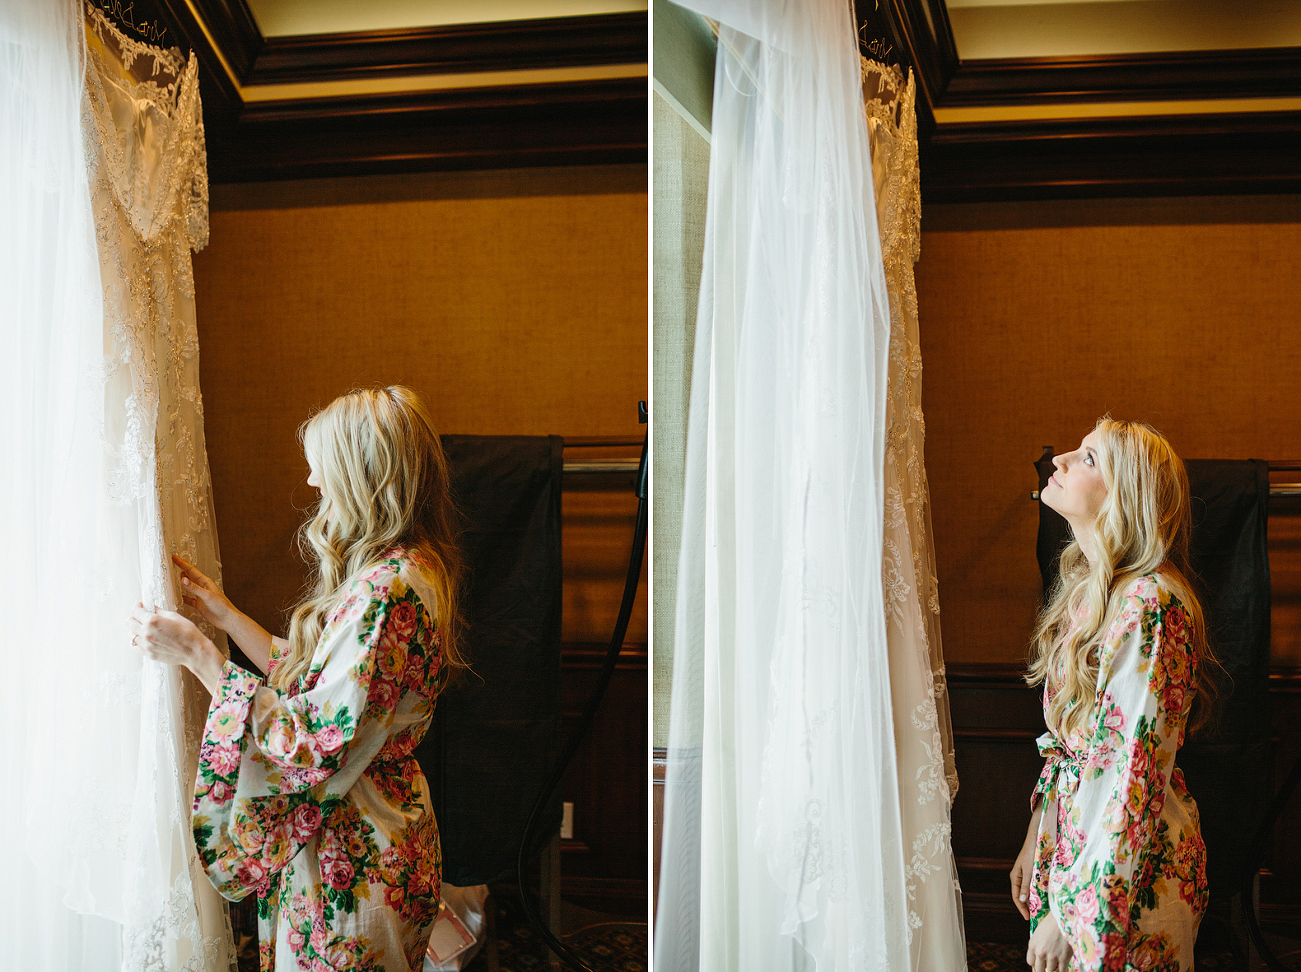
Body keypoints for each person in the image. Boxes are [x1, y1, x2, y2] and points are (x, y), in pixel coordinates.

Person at [130, 385, 466, 971]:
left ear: (364, 475)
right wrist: (226, 617)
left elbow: (310, 738)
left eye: (322, 469)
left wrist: (201, 658)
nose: (312, 484)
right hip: (384, 828)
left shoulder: (383, 589)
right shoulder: (413, 565)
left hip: (356, 850)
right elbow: (336, 684)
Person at [1008, 417, 1218, 972]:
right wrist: (1039, 834)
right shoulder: (1089, 595)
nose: (1061, 461)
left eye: (1089, 458)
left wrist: (1071, 911)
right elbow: (1071, 748)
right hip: (1078, 855)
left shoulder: (1150, 605)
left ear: (1126, 496)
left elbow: (1129, 772)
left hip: (1128, 876)